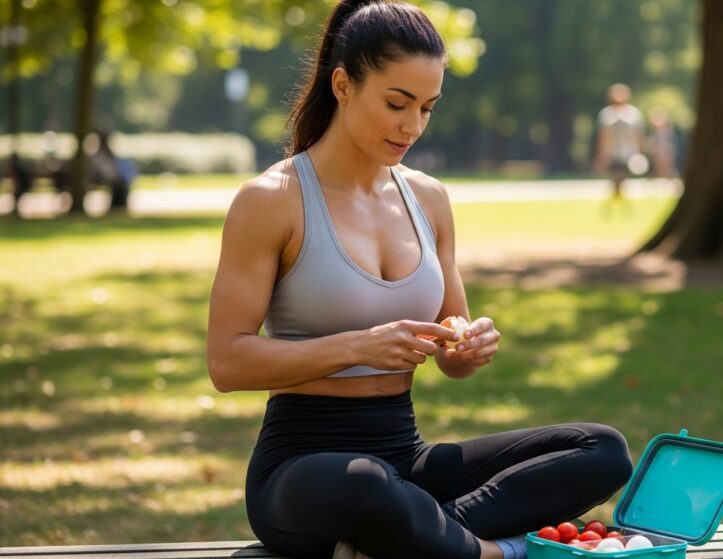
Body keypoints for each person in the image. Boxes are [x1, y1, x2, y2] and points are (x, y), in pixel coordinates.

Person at [205, 2, 633, 559]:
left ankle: (414, 535)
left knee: (602, 450)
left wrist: (469, 344)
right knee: (366, 486)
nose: (413, 126)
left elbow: (450, 352)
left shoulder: (427, 198)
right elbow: (227, 363)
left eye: (427, 108)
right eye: (396, 104)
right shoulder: (271, 200)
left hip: (405, 455)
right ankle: (493, 551)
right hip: (305, 467)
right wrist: (360, 346)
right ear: (343, 84)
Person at [594, 83, 645, 203]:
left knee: (622, 176)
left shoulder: (634, 114)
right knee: (615, 176)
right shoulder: (606, 114)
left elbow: (638, 135)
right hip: (612, 152)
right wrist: (601, 154)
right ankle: (617, 196)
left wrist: (640, 152)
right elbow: (602, 136)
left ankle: (618, 197)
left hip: (628, 152)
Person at [645, 107, 679, 181]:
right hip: (658, 153)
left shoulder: (669, 132)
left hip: (666, 152)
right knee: (657, 167)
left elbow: (671, 144)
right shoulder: (653, 132)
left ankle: (669, 179)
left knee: (668, 167)